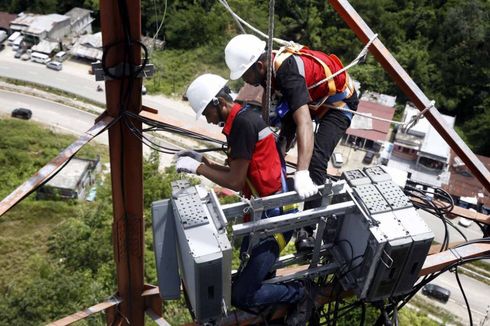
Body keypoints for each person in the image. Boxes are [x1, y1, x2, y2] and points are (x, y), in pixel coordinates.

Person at [175, 74, 315, 323]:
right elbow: (237, 172)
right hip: (266, 214)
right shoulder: (243, 119)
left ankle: (299, 294)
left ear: (219, 102)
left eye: (207, 112)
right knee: (244, 271)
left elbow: (235, 182)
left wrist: (198, 170)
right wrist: (203, 162)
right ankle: (274, 301)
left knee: (241, 295)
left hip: (276, 219)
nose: (208, 119)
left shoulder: (242, 125)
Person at [224, 34, 359, 252]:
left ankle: (306, 230)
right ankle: (278, 198)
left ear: (259, 65)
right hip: (313, 98)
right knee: (278, 149)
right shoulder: (268, 73)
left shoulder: (286, 72)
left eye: (245, 75)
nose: (244, 81)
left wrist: (302, 171)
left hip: (339, 104)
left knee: (316, 160)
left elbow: (304, 122)